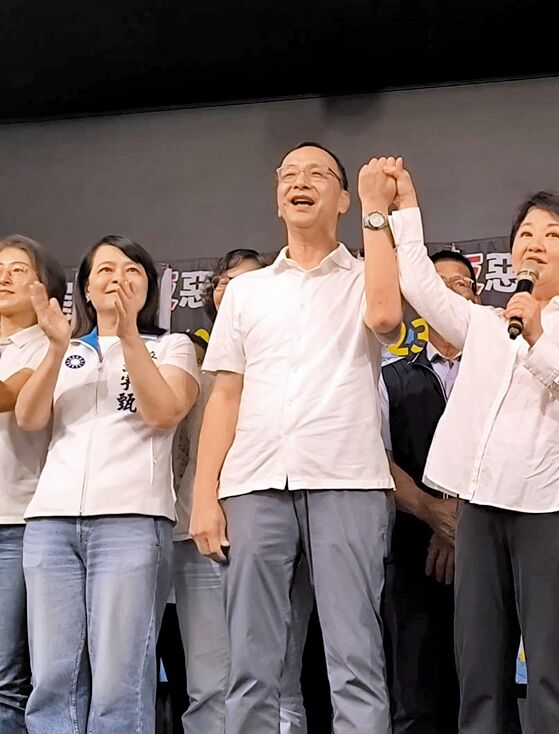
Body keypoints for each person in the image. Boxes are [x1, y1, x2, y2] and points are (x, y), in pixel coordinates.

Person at [388, 163, 559, 733]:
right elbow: (419, 284)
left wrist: (539, 337)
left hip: (554, 508)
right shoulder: (486, 323)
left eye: (552, 235)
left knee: (551, 675)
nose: (535, 244)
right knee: (478, 671)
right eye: (526, 234)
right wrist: (405, 209)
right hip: (480, 509)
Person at [189, 144, 402, 734]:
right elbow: (225, 397)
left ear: (343, 198)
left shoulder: (368, 275)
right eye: (288, 175)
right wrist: (205, 496)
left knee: (355, 661)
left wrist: (378, 212)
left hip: (347, 481)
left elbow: (386, 320)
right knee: (250, 666)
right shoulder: (248, 292)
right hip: (254, 484)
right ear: (277, 197)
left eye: (316, 175)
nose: (299, 183)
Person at [17, 235, 199, 733]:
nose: (118, 278)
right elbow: (29, 418)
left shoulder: (172, 346)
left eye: (132, 270)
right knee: (52, 678)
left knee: (121, 680)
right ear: (85, 287)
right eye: (105, 270)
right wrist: (56, 349)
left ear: (149, 287)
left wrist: (129, 335)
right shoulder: (65, 348)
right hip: (51, 524)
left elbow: (163, 413)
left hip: (131, 522)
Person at [172, 248, 313, 733]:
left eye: (248, 280)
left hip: (275, 527)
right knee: (207, 686)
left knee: (279, 682)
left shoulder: (293, 361)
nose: (233, 289)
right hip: (200, 533)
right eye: (223, 281)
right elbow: (180, 452)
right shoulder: (188, 360)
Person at [379, 249, 478, 734]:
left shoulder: (505, 371)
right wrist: (434, 514)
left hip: (490, 546)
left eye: (460, 284)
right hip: (412, 550)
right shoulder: (390, 377)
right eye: (436, 283)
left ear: (476, 296)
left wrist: (459, 520)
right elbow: (380, 458)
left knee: (483, 691)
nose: (448, 292)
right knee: (415, 694)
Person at [0, 236, 66, 734]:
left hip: (16, 523)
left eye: (18, 269)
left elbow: (9, 397)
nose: (3, 277)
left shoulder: (51, 346)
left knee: (7, 676)